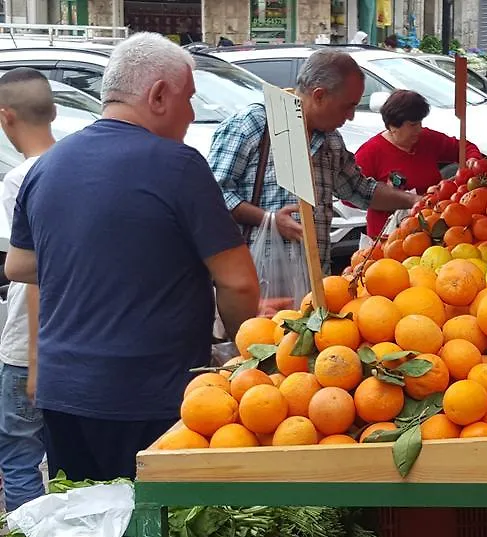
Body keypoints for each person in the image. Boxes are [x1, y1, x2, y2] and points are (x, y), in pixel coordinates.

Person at [4, 33, 259, 482]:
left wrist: (101, 255)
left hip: (63, 391)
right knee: (156, 533)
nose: (193, 114)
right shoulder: (179, 165)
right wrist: (244, 349)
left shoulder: (47, 165)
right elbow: (237, 282)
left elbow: (19, 265)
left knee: (86, 522)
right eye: (189, 98)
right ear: (159, 95)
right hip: (151, 391)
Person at [208, 49, 418, 273]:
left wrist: (414, 200)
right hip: (257, 280)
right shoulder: (253, 125)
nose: (351, 116)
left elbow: (360, 189)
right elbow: (212, 195)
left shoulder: (331, 141)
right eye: (347, 106)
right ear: (319, 95)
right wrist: (268, 220)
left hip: (314, 279)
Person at [0, 68, 52, 510]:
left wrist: (35, 362)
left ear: (5, 117)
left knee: (19, 460)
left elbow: (32, 273)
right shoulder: (73, 164)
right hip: (72, 341)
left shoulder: (20, 180)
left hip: (26, 347)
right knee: (67, 462)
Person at [355, 90, 481, 238]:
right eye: (413, 125)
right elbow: (351, 195)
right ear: (393, 126)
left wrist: (473, 160)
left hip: (432, 230)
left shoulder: (426, 139)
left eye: (420, 122)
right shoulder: (370, 152)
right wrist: (385, 194)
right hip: (389, 237)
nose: (419, 129)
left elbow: (464, 148)